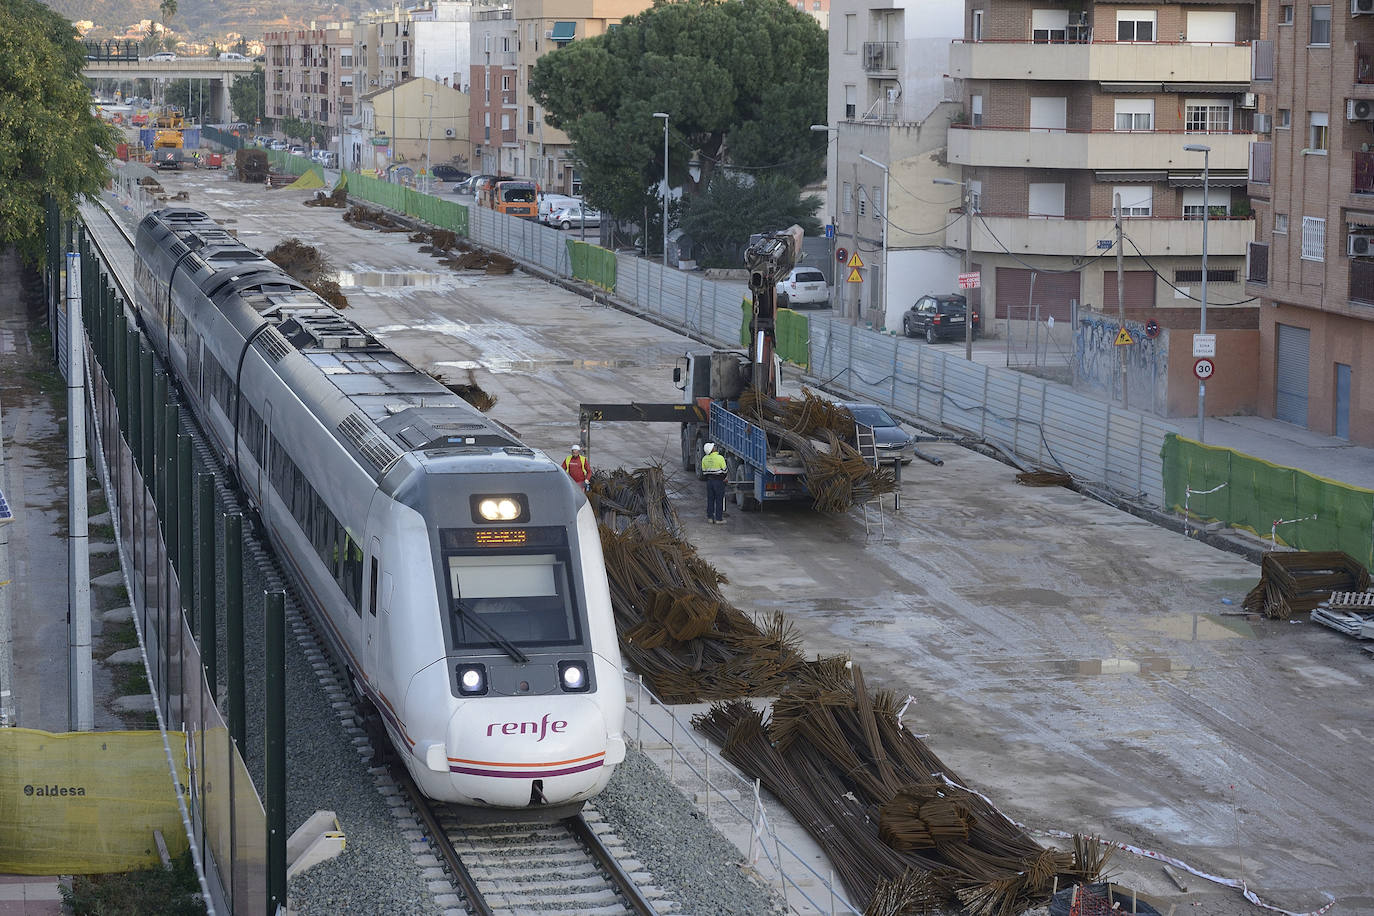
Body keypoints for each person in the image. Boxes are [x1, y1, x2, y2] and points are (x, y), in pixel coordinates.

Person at [700, 442, 727, 523]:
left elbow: (704, 472)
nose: (715, 447)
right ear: (712, 450)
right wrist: (723, 477)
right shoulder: (720, 458)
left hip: (709, 482)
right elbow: (725, 470)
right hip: (719, 482)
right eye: (714, 446)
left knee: (710, 499)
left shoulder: (704, 459)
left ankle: (710, 518)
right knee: (719, 500)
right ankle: (719, 519)